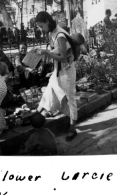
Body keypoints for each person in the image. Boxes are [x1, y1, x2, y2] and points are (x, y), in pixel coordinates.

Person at [34, 11, 78, 141]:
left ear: (47, 22)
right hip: (58, 70)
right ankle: (36, 115)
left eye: (42, 26)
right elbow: (56, 52)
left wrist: (46, 53)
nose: (41, 29)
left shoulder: (60, 35)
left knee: (70, 99)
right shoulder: (52, 33)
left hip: (67, 71)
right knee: (49, 91)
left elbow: (63, 57)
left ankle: (72, 128)